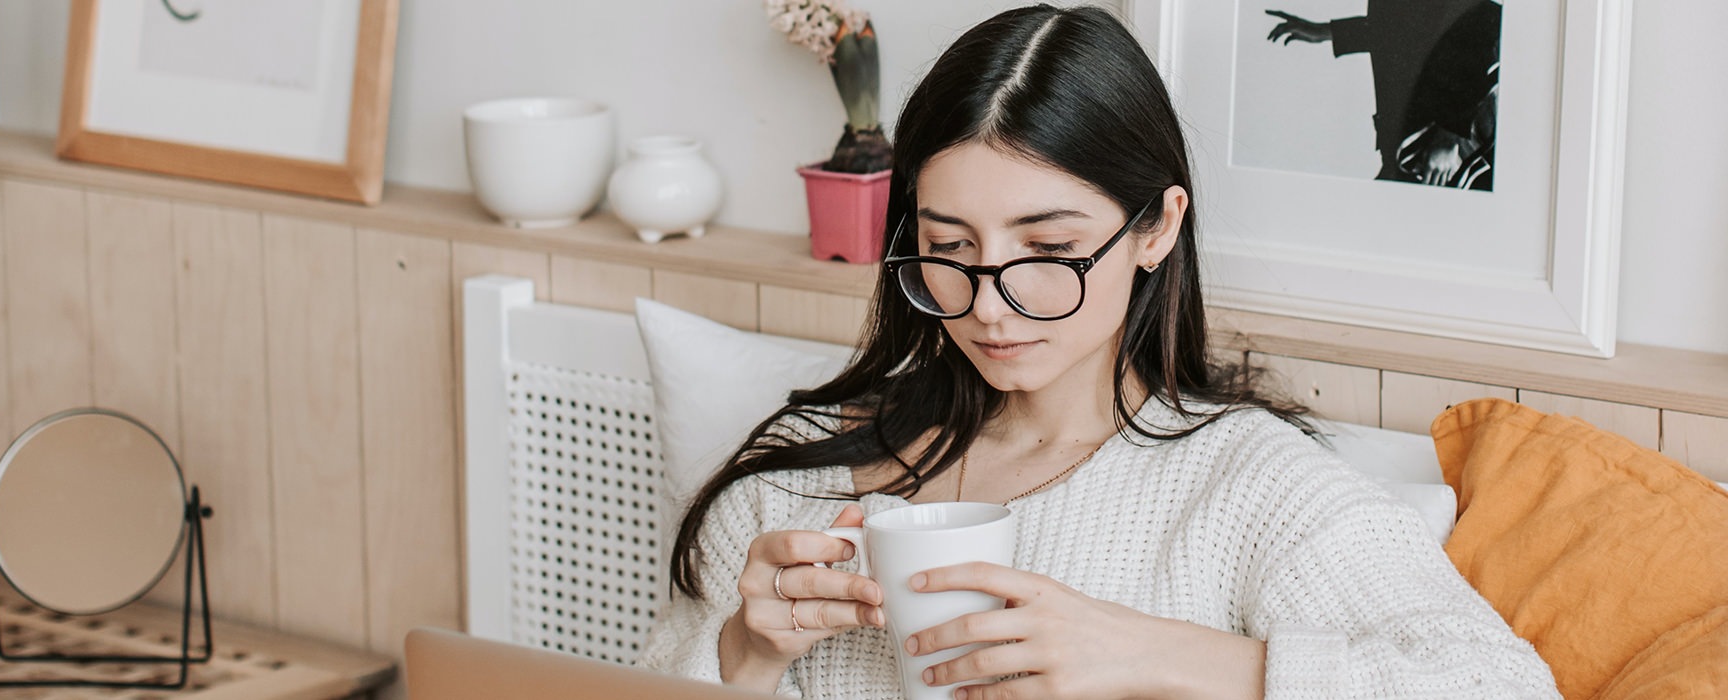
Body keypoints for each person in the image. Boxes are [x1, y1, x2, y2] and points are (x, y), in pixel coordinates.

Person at [638, 4, 1557, 698]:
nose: (993, 304)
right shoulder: (798, 482)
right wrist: (741, 657)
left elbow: (1500, 685)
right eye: (952, 249)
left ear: (1156, 227)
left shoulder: (1245, 487)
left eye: (1048, 252)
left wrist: (1157, 653)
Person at [1265, 1, 1501, 189]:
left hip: (1444, 150)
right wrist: (1327, 32)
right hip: (1413, 146)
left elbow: (1485, 17)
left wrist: (1450, 135)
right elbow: (1406, 24)